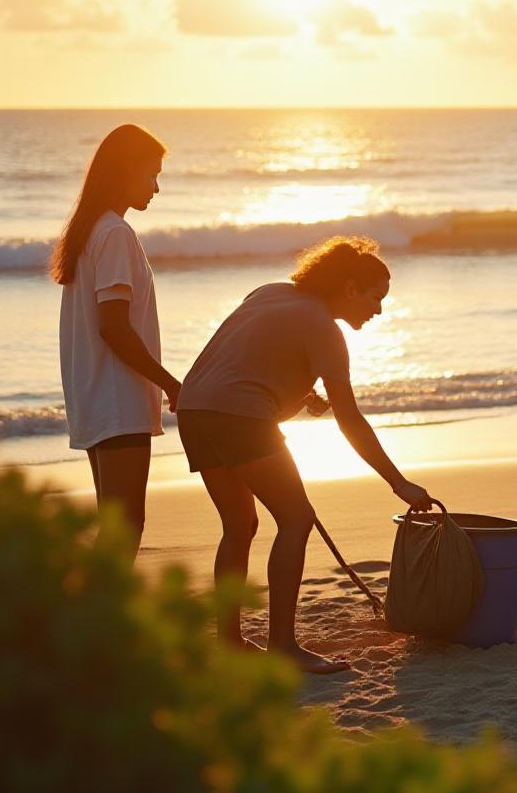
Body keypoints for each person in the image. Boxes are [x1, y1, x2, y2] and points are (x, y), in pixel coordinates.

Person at [179, 236, 433, 673]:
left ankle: (229, 641)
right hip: (239, 416)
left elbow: (251, 354)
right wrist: (398, 482)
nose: (378, 311)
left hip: (193, 409)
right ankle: (283, 646)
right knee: (295, 519)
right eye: (375, 298)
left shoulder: (269, 292)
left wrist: (304, 391)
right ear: (350, 287)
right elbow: (350, 419)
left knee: (239, 525)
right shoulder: (326, 330)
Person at [51, 124, 180, 563]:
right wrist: (170, 383)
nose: (157, 188)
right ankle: (101, 626)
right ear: (126, 172)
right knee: (125, 527)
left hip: (96, 400)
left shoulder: (90, 230)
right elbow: (114, 326)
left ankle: (93, 623)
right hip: (117, 402)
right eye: (151, 175)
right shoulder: (114, 234)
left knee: (114, 524)